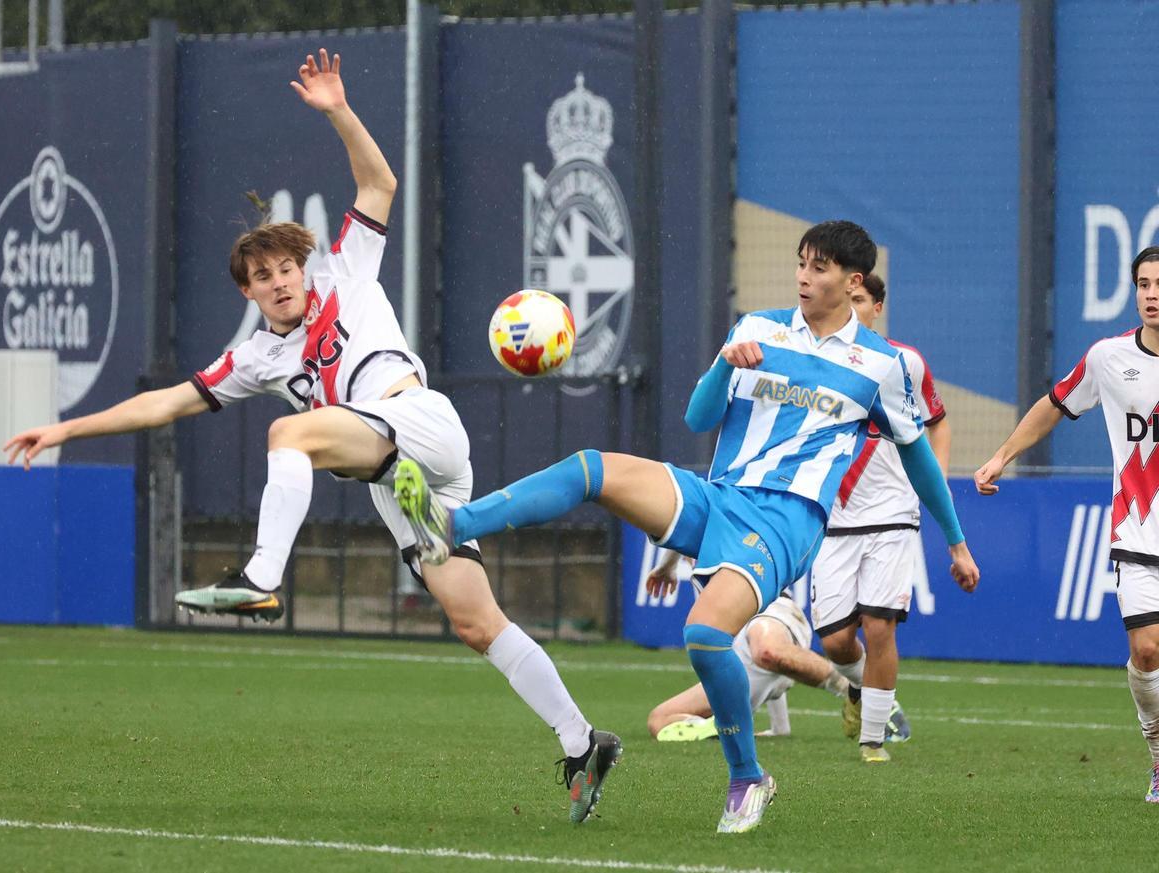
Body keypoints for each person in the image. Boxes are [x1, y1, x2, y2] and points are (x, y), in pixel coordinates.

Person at [2, 48, 620, 825]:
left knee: (290, 431)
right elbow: (162, 405)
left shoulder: (346, 274)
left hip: (419, 424)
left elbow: (379, 185)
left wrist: (337, 110)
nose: (280, 282)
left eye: (286, 267)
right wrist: (65, 424)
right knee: (472, 619)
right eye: (262, 277)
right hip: (394, 473)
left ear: (304, 265)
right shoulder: (256, 355)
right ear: (248, 291)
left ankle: (263, 576)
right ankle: (580, 737)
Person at [394, 220, 981, 834]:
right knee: (592, 468)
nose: (804, 276)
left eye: (820, 268)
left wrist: (957, 540)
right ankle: (452, 523)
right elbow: (700, 418)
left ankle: (747, 776)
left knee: (703, 634)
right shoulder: (758, 328)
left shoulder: (883, 366)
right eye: (801, 263)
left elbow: (917, 456)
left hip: (788, 519)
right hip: (720, 496)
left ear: (853, 281)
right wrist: (726, 365)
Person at [975, 246, 1159, 804]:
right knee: (1148, 652)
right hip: (1136, 530)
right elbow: (1055, 404)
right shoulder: (1108, 358)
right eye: (1144, 284)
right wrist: (1002, 455)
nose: (1153, 294)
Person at [811, 274, 950, 763]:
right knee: (835, 640)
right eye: (844, 300)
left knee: (879, 627)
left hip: (893, 513)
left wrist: (938, 481)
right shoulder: (818, 358)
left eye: (859, 301)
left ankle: (874, 739)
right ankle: (856, 688)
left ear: (877, 307)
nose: (850, 308)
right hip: (832, 515)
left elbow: (936, 421)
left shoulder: (904, 362)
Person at [643, 550, 853, 742]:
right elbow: (676, 530)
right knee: (660, 720)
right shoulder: (695, 528)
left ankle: (858, 690)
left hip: (770, 610)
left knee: (767, 649)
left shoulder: (739, 519)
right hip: (735, 644)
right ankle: (722, 727)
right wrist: (667, 567)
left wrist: (666, 567)